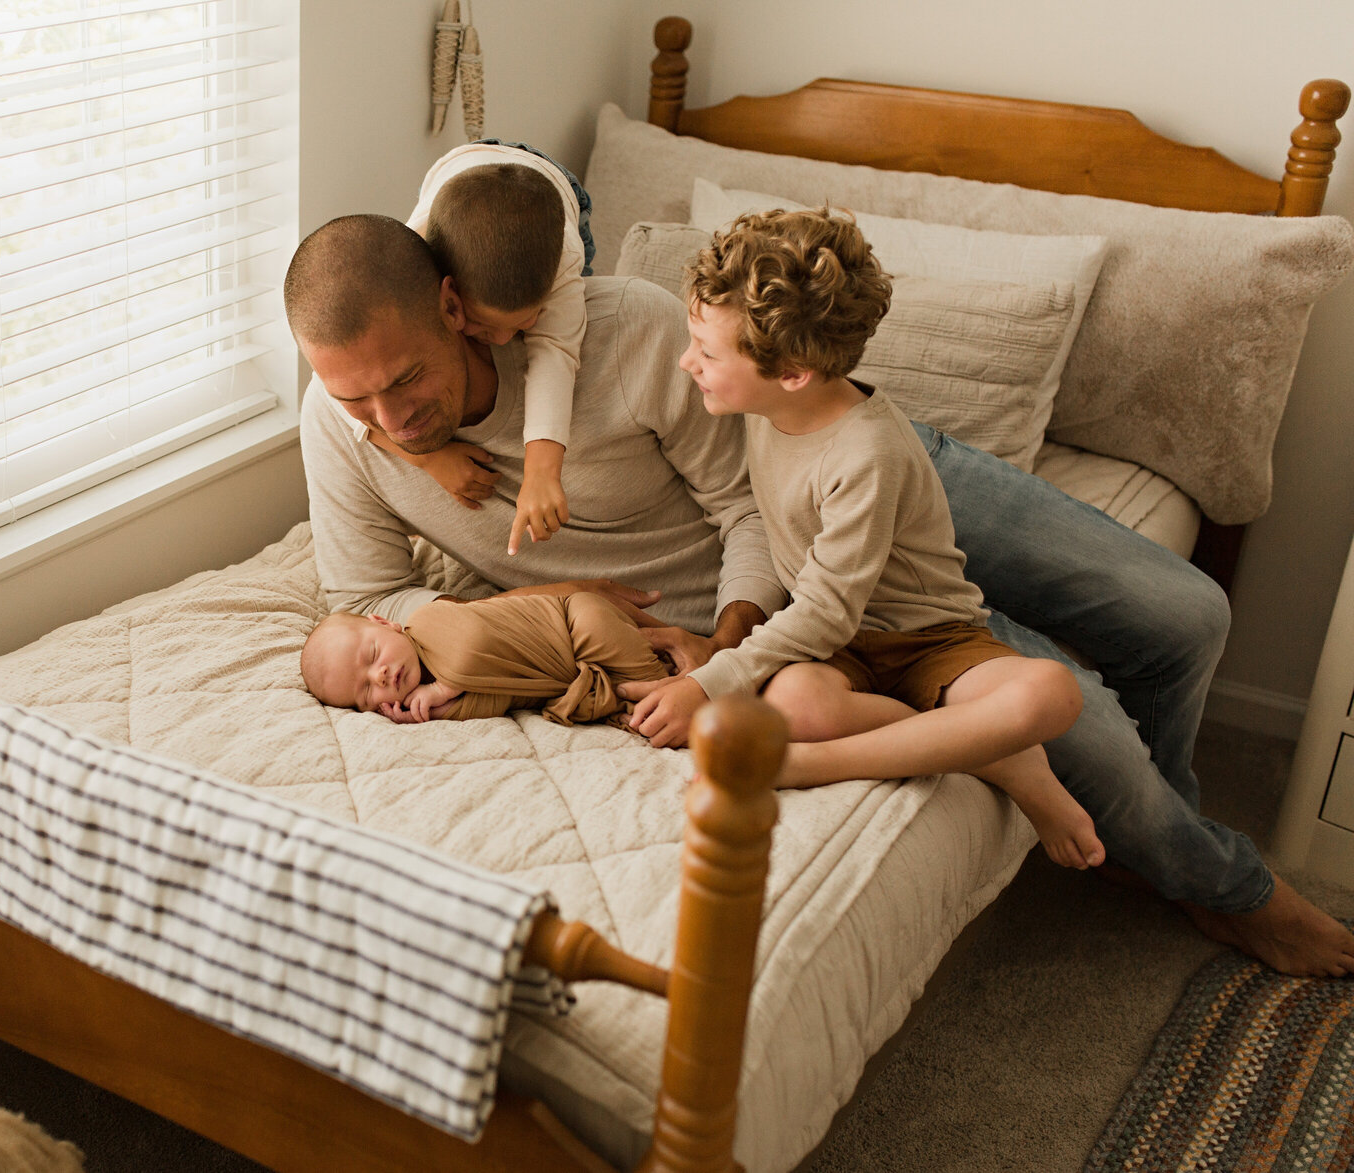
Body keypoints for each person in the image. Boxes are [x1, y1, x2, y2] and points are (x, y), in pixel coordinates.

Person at [282, 212, 1354, 977]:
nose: (388, 415)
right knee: (1090, 741)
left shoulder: (628, 336)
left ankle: (1154, 833)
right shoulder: (343, 426)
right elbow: (370, 592)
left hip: (847, 480)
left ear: (454, 308)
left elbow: (747, 505)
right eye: (352, 394)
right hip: (828, 573)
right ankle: (1220, 885)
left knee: (1185, 614)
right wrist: (460, 618)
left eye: (404, 379)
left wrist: (733, 638)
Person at [620, 207, 1101, 870]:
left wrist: (709, 682)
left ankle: (811, 766)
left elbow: (824, 610)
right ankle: (1003, 763)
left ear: (792, 372)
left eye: (704, 350)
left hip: (926, 637)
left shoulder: (867, 452)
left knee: (1053, 694)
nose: (685, 361)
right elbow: (817, 621)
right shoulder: (759, 405)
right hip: (838, 648)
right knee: (794, 701)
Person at [341, 142, 594, 556]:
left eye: (524, 321)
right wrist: (430, 459)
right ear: (449, 295)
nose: (500, 341)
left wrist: (541, 473)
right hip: (459, 174)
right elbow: (337, 374)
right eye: (480, 325)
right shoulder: (415, 256)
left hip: (552, 192)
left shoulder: (564, 263)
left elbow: (556, 355)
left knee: (576, 333)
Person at [300, 591, 668, 726]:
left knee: (660, 688)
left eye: (373, 655)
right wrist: (442, 711)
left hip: (576, 625)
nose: (378, 676)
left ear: (385, 624)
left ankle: (698, 671)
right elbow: (504, 695)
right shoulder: (428, 696)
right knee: (646, 710)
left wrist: (443, 689)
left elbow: (478, 645)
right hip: (571, 672)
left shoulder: (428, 621)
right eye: (365, 692)